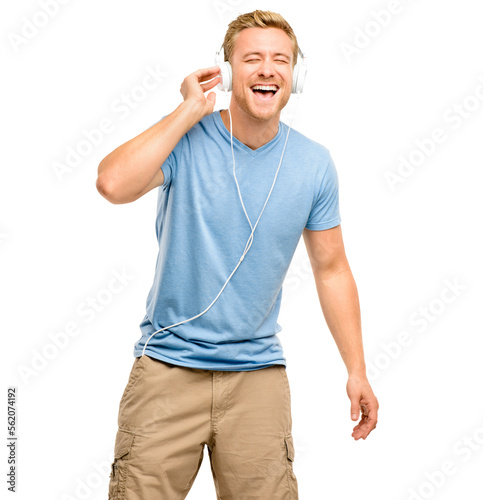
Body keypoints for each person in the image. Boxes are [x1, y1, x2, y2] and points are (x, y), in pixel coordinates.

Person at [96, 9, 379, 500]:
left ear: (297, 76)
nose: (267, 69)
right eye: (252, 59)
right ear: (226, 72)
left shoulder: (313, 164)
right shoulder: (184, 141)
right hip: (166, 368)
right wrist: (188, 110)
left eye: (280, 60)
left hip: (257, 376)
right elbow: (112, 184)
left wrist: (357, 369)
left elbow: (331, 269)